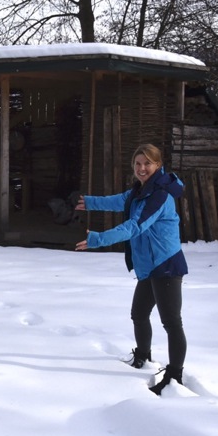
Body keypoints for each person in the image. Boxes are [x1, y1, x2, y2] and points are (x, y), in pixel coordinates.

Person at [74, 143, 188, 395]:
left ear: (158, 165)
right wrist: (89, 202)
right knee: (139, 314)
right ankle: (143, 357)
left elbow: (135, 226)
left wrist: (98, 239)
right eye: (138, 163)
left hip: (166, 264)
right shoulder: (140, 190)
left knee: (171, 323)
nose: (142, 168)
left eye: (147, 163)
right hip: (149, 265)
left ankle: (174, 376)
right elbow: (120, 201)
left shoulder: (159, 195)